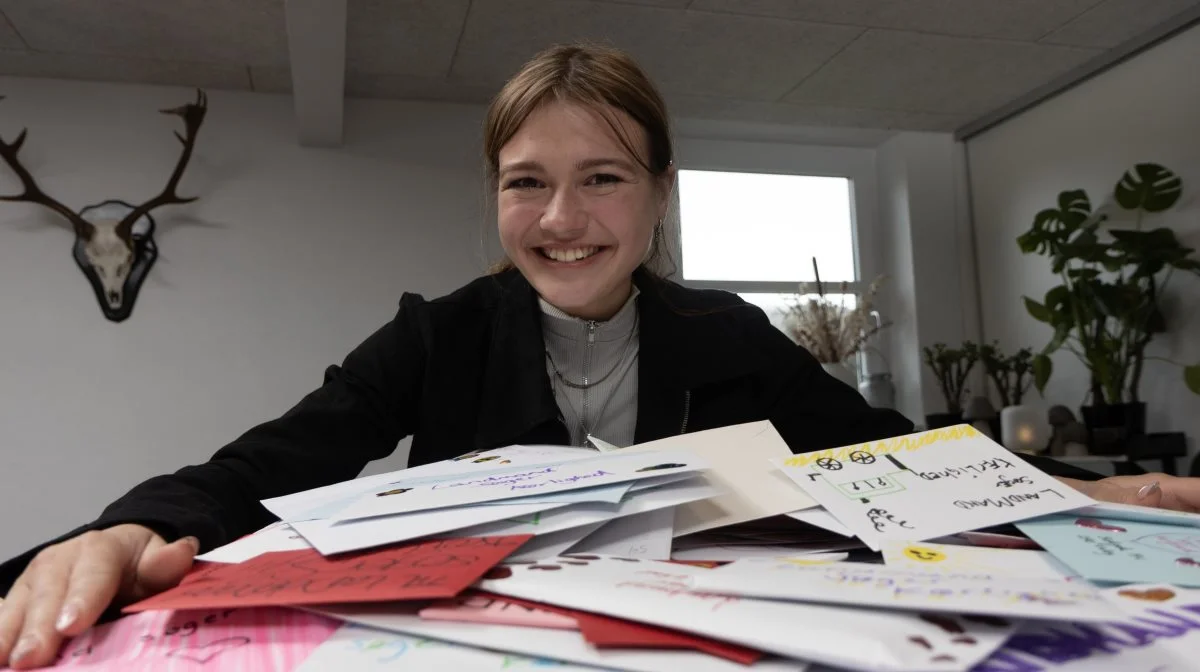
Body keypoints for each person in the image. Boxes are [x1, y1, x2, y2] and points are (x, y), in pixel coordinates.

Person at [0, 41, 1193, 669]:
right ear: (495, 197)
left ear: (659, 198)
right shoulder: (438, 332)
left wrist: (1077, 487)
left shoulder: (725, 332)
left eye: (603, 179)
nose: (562, 220)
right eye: (528, 185)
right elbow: (266, 465)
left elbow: (890, 453)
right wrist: (112, 531)